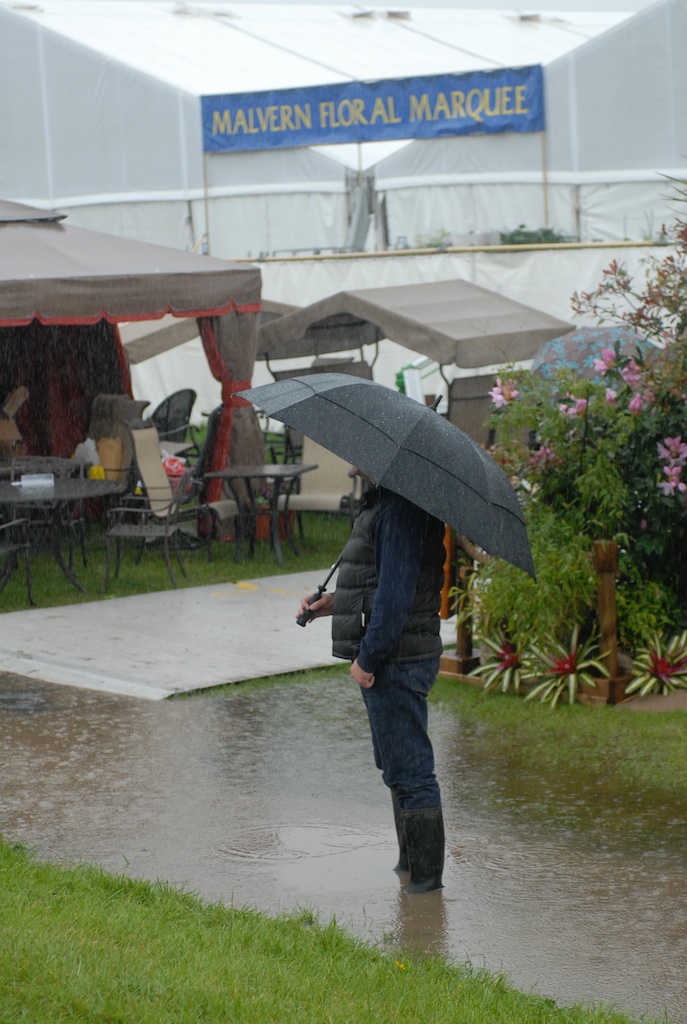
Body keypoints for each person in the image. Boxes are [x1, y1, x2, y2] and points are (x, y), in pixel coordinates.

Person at [296, 480, 447, 893]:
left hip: (395, 659)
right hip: (395, 655)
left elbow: (396, 597)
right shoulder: (389, 502)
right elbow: (378, 582)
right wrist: (331, 604)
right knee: (399, 770)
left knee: (412, 774)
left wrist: (368, 659)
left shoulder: (400, 509)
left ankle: (425, 889)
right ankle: (410, 870)